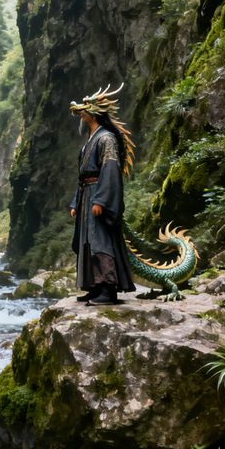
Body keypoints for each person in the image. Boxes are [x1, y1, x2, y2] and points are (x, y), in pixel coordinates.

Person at [68, 84, 136, 306]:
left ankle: (108, 289)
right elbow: (82, 176)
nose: (82, 113)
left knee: (100, 241)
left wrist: (101, 200)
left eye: (86, 108)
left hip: (97, 194)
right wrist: (76, 203)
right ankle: (94, 287)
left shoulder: (106, 138)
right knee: (87, 241)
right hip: (86, 194)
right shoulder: (90, 140)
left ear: (96, 112)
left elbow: (110, 170)